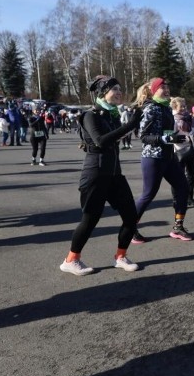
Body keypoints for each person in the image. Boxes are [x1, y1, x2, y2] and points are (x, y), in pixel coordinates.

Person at [59, 76, 142, 275]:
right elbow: (100, 141)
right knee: (90, 219)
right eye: (114, 89)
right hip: (95, 174)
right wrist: (129, 126)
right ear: (102, 93)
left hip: (115, 174)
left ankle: (120, 256)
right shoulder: (90, 115)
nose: (119, 92)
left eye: (120, 89)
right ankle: (71, 260)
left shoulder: (112, 115)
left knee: (131, 217)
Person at [131, 77, 192, 244]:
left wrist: (174, 139)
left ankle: (178, 227)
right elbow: (143, 136)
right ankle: (130, 228)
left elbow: (167, 133)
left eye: (167, 87)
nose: (166, 90)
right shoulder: (151, 108)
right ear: (153, 90)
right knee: (148, 194)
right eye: (162, 87)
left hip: (168, 156)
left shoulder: (166, 108)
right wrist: (166, 139)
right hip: (152, 157)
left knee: (182, 187)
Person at [170, 97, 194, 208]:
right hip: (177, 150)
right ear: (174, 107)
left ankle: (189, 198)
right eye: (181, 106)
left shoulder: (188, 117)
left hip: (191, 149)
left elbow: (193, 129)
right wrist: (180, 139)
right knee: (177, 177)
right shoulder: (171, 118)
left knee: (191, 176)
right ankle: (176, 200)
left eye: (184, 105)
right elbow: (167, 137)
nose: (183, 108)